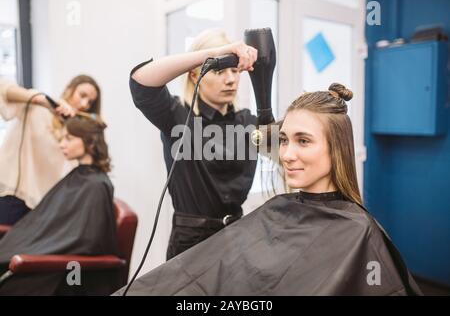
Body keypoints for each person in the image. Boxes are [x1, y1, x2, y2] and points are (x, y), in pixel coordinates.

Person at [115, 83, 422, 296]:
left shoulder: (358, 232)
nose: (286, 154)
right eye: (284, 140)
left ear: (338, 148)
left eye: (303, 141)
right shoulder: (279, 210)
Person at [130, 29, 260, 260]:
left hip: (236, 238)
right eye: (219, 70)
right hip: (190, 243)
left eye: (234, 70)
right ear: (194, 75)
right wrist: (214, 53)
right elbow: (141, 80)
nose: (230, 79)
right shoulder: (177, 116)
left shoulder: (249, 122)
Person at [0, 116, 119, 296]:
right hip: (47, 254)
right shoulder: (79, 175)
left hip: (68, 271)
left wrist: (35, 249)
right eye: (62, 138)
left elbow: (88, 241)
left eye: (69, 139)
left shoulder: (96, 185)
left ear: (90, 142)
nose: (62, 144)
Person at [0, 75, 102, 225]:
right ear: (69, 89)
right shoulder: (37, 108)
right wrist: (41, 101)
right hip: (10, 196)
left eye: (90, 102)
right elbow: (3, 89)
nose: (85, 104)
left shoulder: (73, 136)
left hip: (40, 208)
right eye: (82, 95)